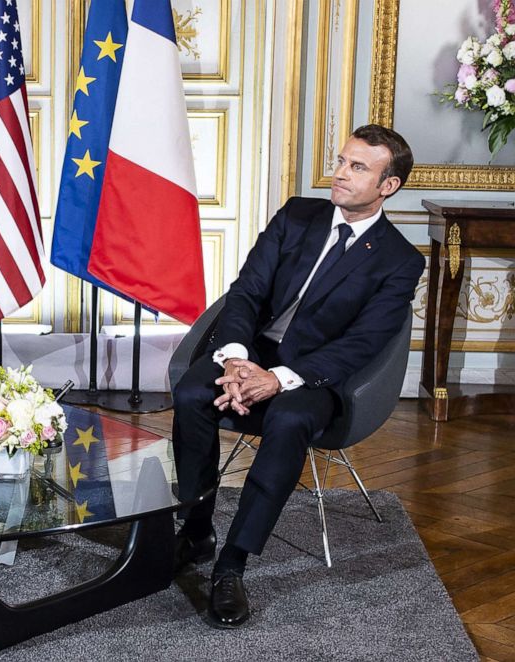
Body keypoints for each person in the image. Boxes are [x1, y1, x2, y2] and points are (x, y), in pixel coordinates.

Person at [171, 124, 424, 628]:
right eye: (341, 160)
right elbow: (246, 292)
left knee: (287, 422)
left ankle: (232, 565)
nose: (340, 174)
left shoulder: (400, 260)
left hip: (321, 375)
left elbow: (362, 344)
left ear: (388, 186)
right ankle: (197, 528)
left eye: (357, 167)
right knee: (191, 392)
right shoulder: (296, 215)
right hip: (252, 349)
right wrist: (239, 359)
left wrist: (280, 378)